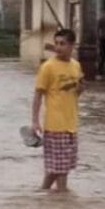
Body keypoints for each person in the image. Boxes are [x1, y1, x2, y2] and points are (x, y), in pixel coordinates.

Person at [31, 29, 85, 193]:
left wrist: (80, 88)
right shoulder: (48, 67)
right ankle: (62, 200)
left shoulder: (76, 65)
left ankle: (42, 194)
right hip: (55, 125)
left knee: (61, 168)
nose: (59, 47)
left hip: (72, 124)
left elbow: (78, 89)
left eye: (63, 43)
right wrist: (35, 121)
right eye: (57, 43)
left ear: (71, 46)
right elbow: (38, 95)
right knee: (60, 170)